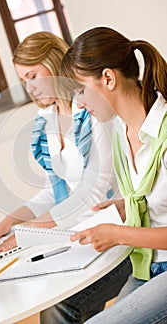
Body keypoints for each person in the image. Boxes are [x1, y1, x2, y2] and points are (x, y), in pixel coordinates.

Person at [41, 26, 167, 323]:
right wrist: (125, 206)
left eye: (80, 90)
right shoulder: (121, 134)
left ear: (108, 78)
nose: (80, 104)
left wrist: (117, 233)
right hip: (145, 265)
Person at [0, 31, 123, 258]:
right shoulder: (46, 119)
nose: (30, 88)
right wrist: (8, 223)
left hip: (112, 227)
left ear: (54, 64)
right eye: (24, 81)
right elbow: (54, 190)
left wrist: (32, 229)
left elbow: (93, 190)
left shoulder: (92, 109)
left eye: (33, 76)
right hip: (77, 227)